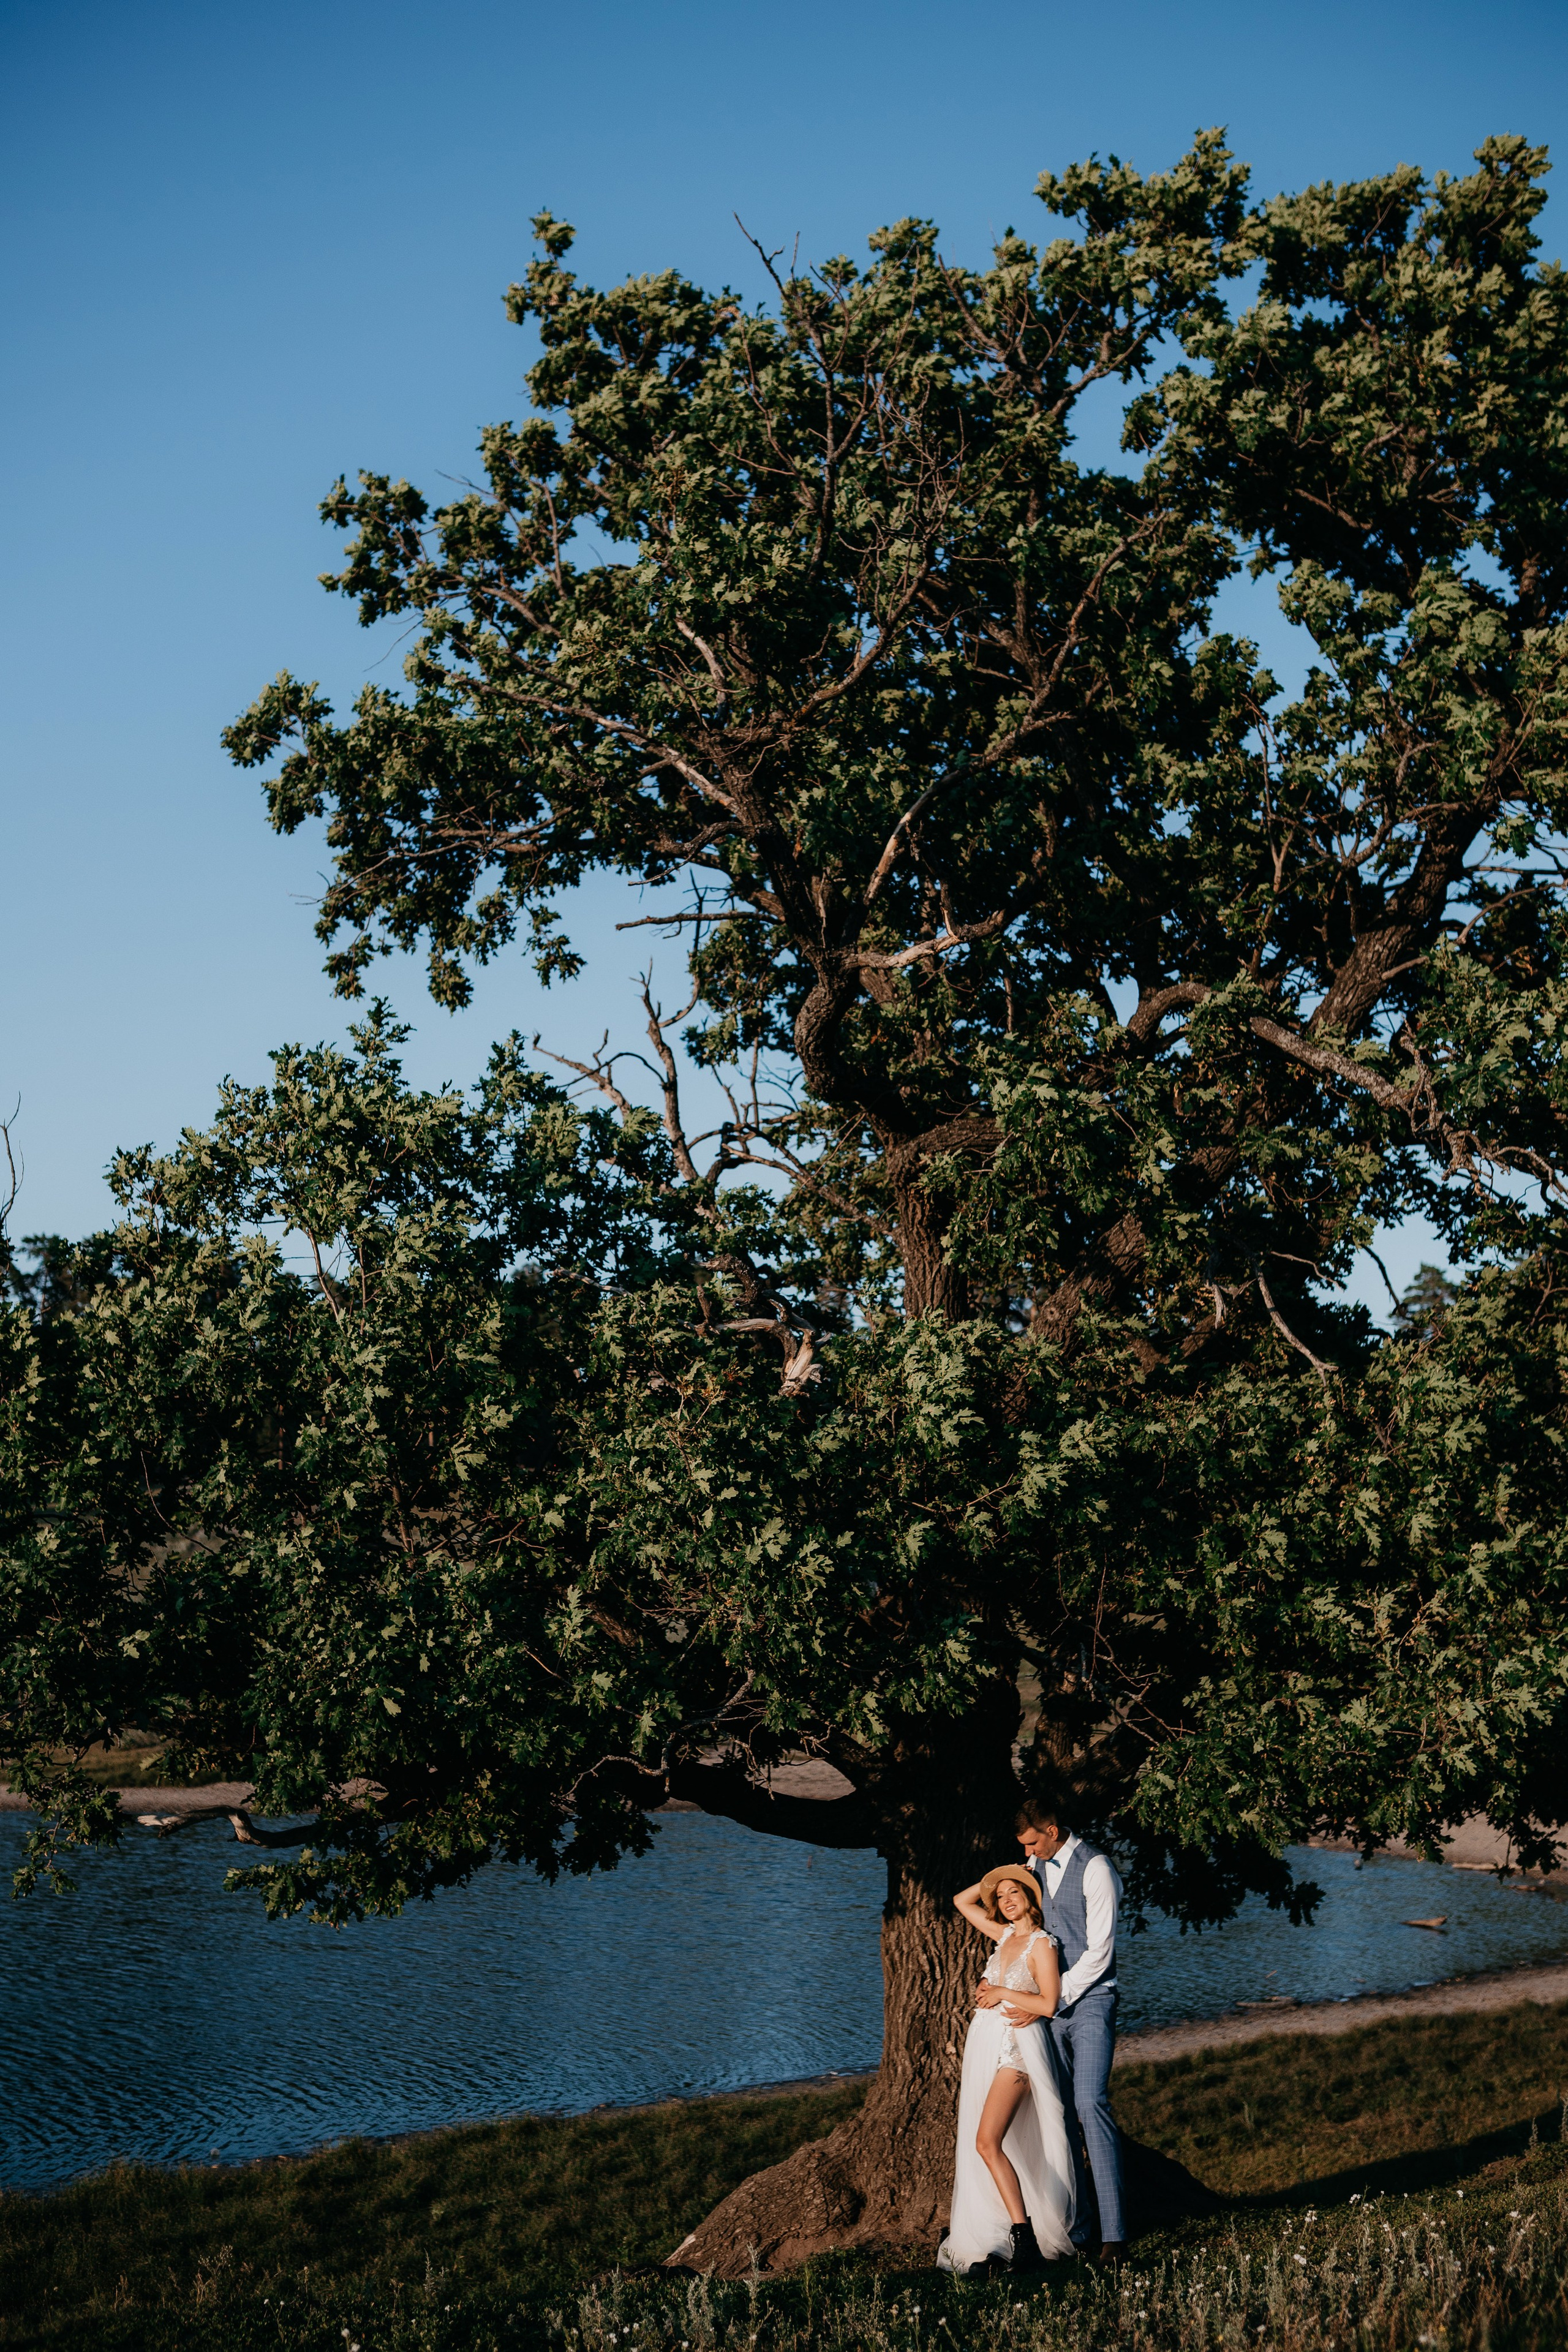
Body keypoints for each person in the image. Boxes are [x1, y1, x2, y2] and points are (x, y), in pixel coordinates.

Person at [936, 1863, 1077, 2278]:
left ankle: (1025, 2239)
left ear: (1031, 1898)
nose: (1006, 1900)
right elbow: (962, 1901)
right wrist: (1001, 1874)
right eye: (1000, 1896)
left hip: (1015, 2055)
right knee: (992, 2144)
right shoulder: (1003, 1937)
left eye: (1015, 1891)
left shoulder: (1041, 1944)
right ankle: (1007, 2229)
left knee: (986, 2142)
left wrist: (999, 1991)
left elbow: (1048, 2004)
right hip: (985, 2047)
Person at [1017, 1796, 1128, 2261]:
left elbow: (1099, 1952)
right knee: (1057, 2114)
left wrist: (1052, 1997)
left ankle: (1116, 2236)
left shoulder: (1097, 1868)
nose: (1028, 1852)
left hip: (1090, 2002)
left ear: (1053, 1830)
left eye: (1032, 1842)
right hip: (1048, 2008)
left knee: (1089, 2103)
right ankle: (1076, 2230)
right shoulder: (1034, 1864)